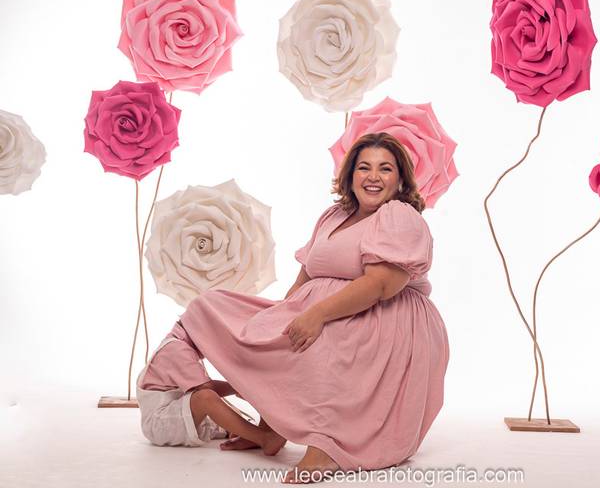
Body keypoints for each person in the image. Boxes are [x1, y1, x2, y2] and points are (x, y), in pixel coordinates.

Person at [179, 132, 450, 483]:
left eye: (385, 169)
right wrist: (280, 316)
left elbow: (381, 285)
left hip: (385, 317)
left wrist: (317, 315)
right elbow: (306, 274)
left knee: (328, 342)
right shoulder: (334, 216)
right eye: (364, 167)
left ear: (400, 179)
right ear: (350, 174)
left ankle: (327, 446)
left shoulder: (398, 216)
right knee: (214, 308)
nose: (373, 177)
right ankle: (271, 426)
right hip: (323, 309)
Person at [136, 321, 286, 454]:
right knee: (206, 397)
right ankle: (264, 438)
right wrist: (239, 387)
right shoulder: (176, 348)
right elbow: (204, 388)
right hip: (160, 423)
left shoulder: (180, 343)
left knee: (230, 414)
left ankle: (257, 433)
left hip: (174, 411)